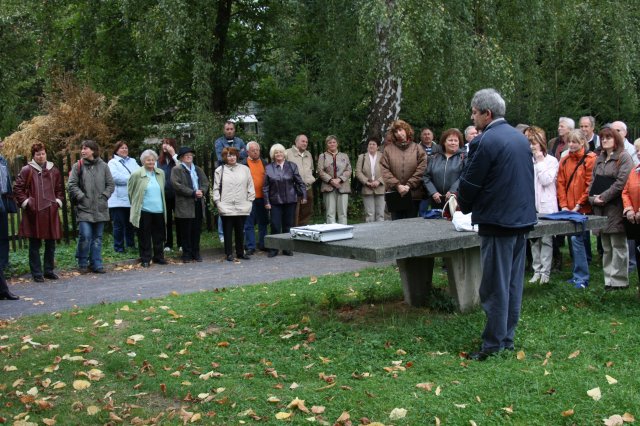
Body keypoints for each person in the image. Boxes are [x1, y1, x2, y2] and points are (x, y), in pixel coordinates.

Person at [458, 88, 536, 361]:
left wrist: (462, 205)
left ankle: (492, 346)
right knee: (513, 283)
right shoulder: (519, 138)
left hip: (497, 222)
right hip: (520, 221)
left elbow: (470, 182)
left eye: (474, 112)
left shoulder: (486, 140)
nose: (472, 116)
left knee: (494, 286)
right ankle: (506, 339)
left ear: (486, 114)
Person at [589, 125, 633, 290]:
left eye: (609, 137)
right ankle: (609, 279)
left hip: (615, 207)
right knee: (606, 246)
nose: (605, 140)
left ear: (616, 139)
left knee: (618, 245)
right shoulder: (599, 158)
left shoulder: (624, 157)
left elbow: (621, 182)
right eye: (603, 138)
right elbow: (592, 181)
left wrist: (604, 197)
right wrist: (593, 198)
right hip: (600, 209)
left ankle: (620, 281)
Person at [13, 143, 64, 282]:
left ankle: (48, 271)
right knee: (35, 244)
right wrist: (27, 202)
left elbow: (59, 189)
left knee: (51, 243)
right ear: (33, 155)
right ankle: (36, 273)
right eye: (38, 154)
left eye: (43, 153)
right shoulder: (27, 170)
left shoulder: (54, 170)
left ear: (46, 153)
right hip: (34, 213)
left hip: (50, 211)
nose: (41, 156)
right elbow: (18, 189)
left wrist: (57, 202)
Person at [556, 130, 597, 288]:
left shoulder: (590, 159)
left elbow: (589, 184)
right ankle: (578, 274)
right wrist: (565, 205)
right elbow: (560, 183)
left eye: (575, 142)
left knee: (577, 240)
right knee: (575, 241)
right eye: (569, 141)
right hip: (569, 208)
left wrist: (579, 204)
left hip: (582, 208)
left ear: (582, 142)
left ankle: (581, 277)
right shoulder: (565, 160)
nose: (571, 145)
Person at [68, 140, 115, 274]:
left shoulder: (104, 166)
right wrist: (82, 197)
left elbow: (110, 185)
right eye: (82, 149)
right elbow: (72, 185)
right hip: (84, 208)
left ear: (93, 150)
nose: (83, 151)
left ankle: (96, 263)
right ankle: (82, 262)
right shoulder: (78, 166)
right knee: (86, 235)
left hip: (100, 208)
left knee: (97, 237)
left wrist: (104, 196)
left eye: (86, 148)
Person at [524, 126, 558, 284]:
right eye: (530, 143)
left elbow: (546, 180)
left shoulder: (551, 161)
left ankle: (545, 273)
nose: (532, 146)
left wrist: (540, 162)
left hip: (546, 206)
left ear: (542, 143)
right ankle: (536, 270)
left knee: (546, 240)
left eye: (535, 143)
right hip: (530, 206)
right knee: (533, 239)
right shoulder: (525, 160)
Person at [264, 144, 307, 258]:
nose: (279, 154)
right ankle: (274, 249)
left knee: (288, 225)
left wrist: (304, 196)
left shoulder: (292, 166)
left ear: (284, 154)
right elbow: (265, 187)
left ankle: (287, 248)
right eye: (276, 152)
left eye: (281, 152)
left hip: (290, 200)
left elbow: (300, 182)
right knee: (275, 225)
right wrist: (267, 202)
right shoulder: (268, 168)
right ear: (273, 155)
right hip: (275, 201)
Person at [214, 147, 255, 261]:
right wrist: (218, 202)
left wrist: (250, 200)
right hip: (226, 205)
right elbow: (216, 188)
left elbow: (250, 186)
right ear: (224, 157)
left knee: (240, 230)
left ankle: (240, 252)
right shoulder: (219, 170)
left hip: (242, 204)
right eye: (228, 155)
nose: (231, 157)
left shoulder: (245, 169)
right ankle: (229, 253)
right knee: (227, 231)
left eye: (233, 155)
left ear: (237, 156)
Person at [380, 120, 427, 220]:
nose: (399, 134)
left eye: (400, 130)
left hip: (413, 194)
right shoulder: (388, 150)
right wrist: (397, 185)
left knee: (412, 225)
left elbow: (422, 168)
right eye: (395, 132)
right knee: (397, 226)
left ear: (406, 130)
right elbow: (384, 169)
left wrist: (408, 185)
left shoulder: (417, 148)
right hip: (395, 194)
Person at [128, 149, 167, 267]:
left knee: (159, 235)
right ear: (143, 161)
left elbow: (162, 189)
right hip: (144, 210)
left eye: (153, 160)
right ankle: (145, 258)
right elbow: (131, 192)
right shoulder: (136, 174)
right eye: (148, 160)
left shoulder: (160, 173)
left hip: (159, 209)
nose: (151, 162)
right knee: (144, 235)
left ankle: (159, 256)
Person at [171, 147, 209, 263]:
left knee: (196, 229)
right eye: (186, 155)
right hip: (184, 204)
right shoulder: (177, 169)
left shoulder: (197, 169)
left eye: (190, 155)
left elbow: (205, 182)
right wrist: (192, 193)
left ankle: (196, 252)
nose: (189, 157)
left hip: (197, 203)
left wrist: (201, 191)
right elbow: (177, 185)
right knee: (185, 230)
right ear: (181, 158)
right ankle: (186, 253)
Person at [214, 121, 248, 243]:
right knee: (224, 204)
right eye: (227, 129)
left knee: (239, 202)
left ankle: (240, 231)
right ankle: (222, 234)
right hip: (225, 176)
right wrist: (236, 155)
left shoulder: (240, 141)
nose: (229, 131)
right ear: (224, 130)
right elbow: (220, 158)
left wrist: (233, 157)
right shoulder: (218, 142)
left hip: (239, 176)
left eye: (231, 129)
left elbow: (245, 156)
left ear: (234, 130)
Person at [107, 141, 140, 253]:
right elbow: (115, 178)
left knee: (130, 224)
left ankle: (130, 245)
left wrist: (132, 178)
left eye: (126, 148)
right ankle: (119, 248)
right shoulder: (112, 163)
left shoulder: (133, 161)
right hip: (118, 200)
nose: (125, 150)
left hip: (131, 198)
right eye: (122, 148)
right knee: (119, 225)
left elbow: (140, 174)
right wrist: (132, 178)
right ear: (116, 150)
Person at [422, 128, 466, 210]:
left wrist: (453, 191)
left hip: (456, 200)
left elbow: (465, 176)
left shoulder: (463, 157)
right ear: (444, 142)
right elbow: (426, 177)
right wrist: (433, 192)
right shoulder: (434, 157)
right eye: (450, 140)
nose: (453, 143)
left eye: (456, 141)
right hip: (437, 200)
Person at [241, 141, 269, 254]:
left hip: (262, 197)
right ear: (248, 152)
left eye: (257, 150)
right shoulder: (243, 164)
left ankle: (264, 244)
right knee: (249, 223)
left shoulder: (264, 163)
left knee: (263, 222)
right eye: (253, 150)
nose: (256, 152)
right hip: (249, 198)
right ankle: (251, 246)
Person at [317, 135, 352, 224]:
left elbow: (349, 170)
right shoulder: (322, 156)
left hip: (342, 186)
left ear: (337, 143)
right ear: (327, 144)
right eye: (330, 142)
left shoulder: (344, 156)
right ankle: (331, 234)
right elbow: (320, 171)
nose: (332, 144)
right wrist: (331, 180)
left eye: (334, 142)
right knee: (330, 213)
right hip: (328, 187)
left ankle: (343, 233)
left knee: (343, 213)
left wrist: (340, 179)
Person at [621, 138, 640, 286]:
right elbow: (625, 191)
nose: (638, 153)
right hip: (635, 219)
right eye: (637, 150)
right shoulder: (634, 170)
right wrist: (629, 209)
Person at [285, 134, 316, 226]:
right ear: (296, 141)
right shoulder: (287, 153)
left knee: (307, 211)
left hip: (308, 187)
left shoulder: (308, 154)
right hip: (294, 188)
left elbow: (311, 169)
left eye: (306, 142)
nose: (305, 143)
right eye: (303, 141)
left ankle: (304, 229)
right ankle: (294, 231)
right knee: (295, 212)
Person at [157, 138, 181, 252]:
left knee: (180, 219)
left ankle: (181, 243)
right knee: (166, 220)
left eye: (168, 144)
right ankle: (168, 243)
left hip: (177, 194)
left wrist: (173, 154)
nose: (165, 146)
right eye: (163, 144)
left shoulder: (177, 159)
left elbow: (182, 168)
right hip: (164, 194)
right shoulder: (159, 161)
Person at [355, 137, 385, 222]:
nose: (371, 146)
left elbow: (387, 171)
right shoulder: (362, 157)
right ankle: (371, 234)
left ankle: (381, 233)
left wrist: (379, 181)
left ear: (378, 147)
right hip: (367, 188)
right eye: (369, 144)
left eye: (373, 144)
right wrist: (367, 182)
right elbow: (358, 172)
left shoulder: (383, 156)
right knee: (369, 214)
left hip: (380, 188)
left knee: (380, 214)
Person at [0, 137, 16, 272]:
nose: (1, 144)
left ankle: (4, 263)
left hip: (3, 200)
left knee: (3, 233)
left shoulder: (3, 161)